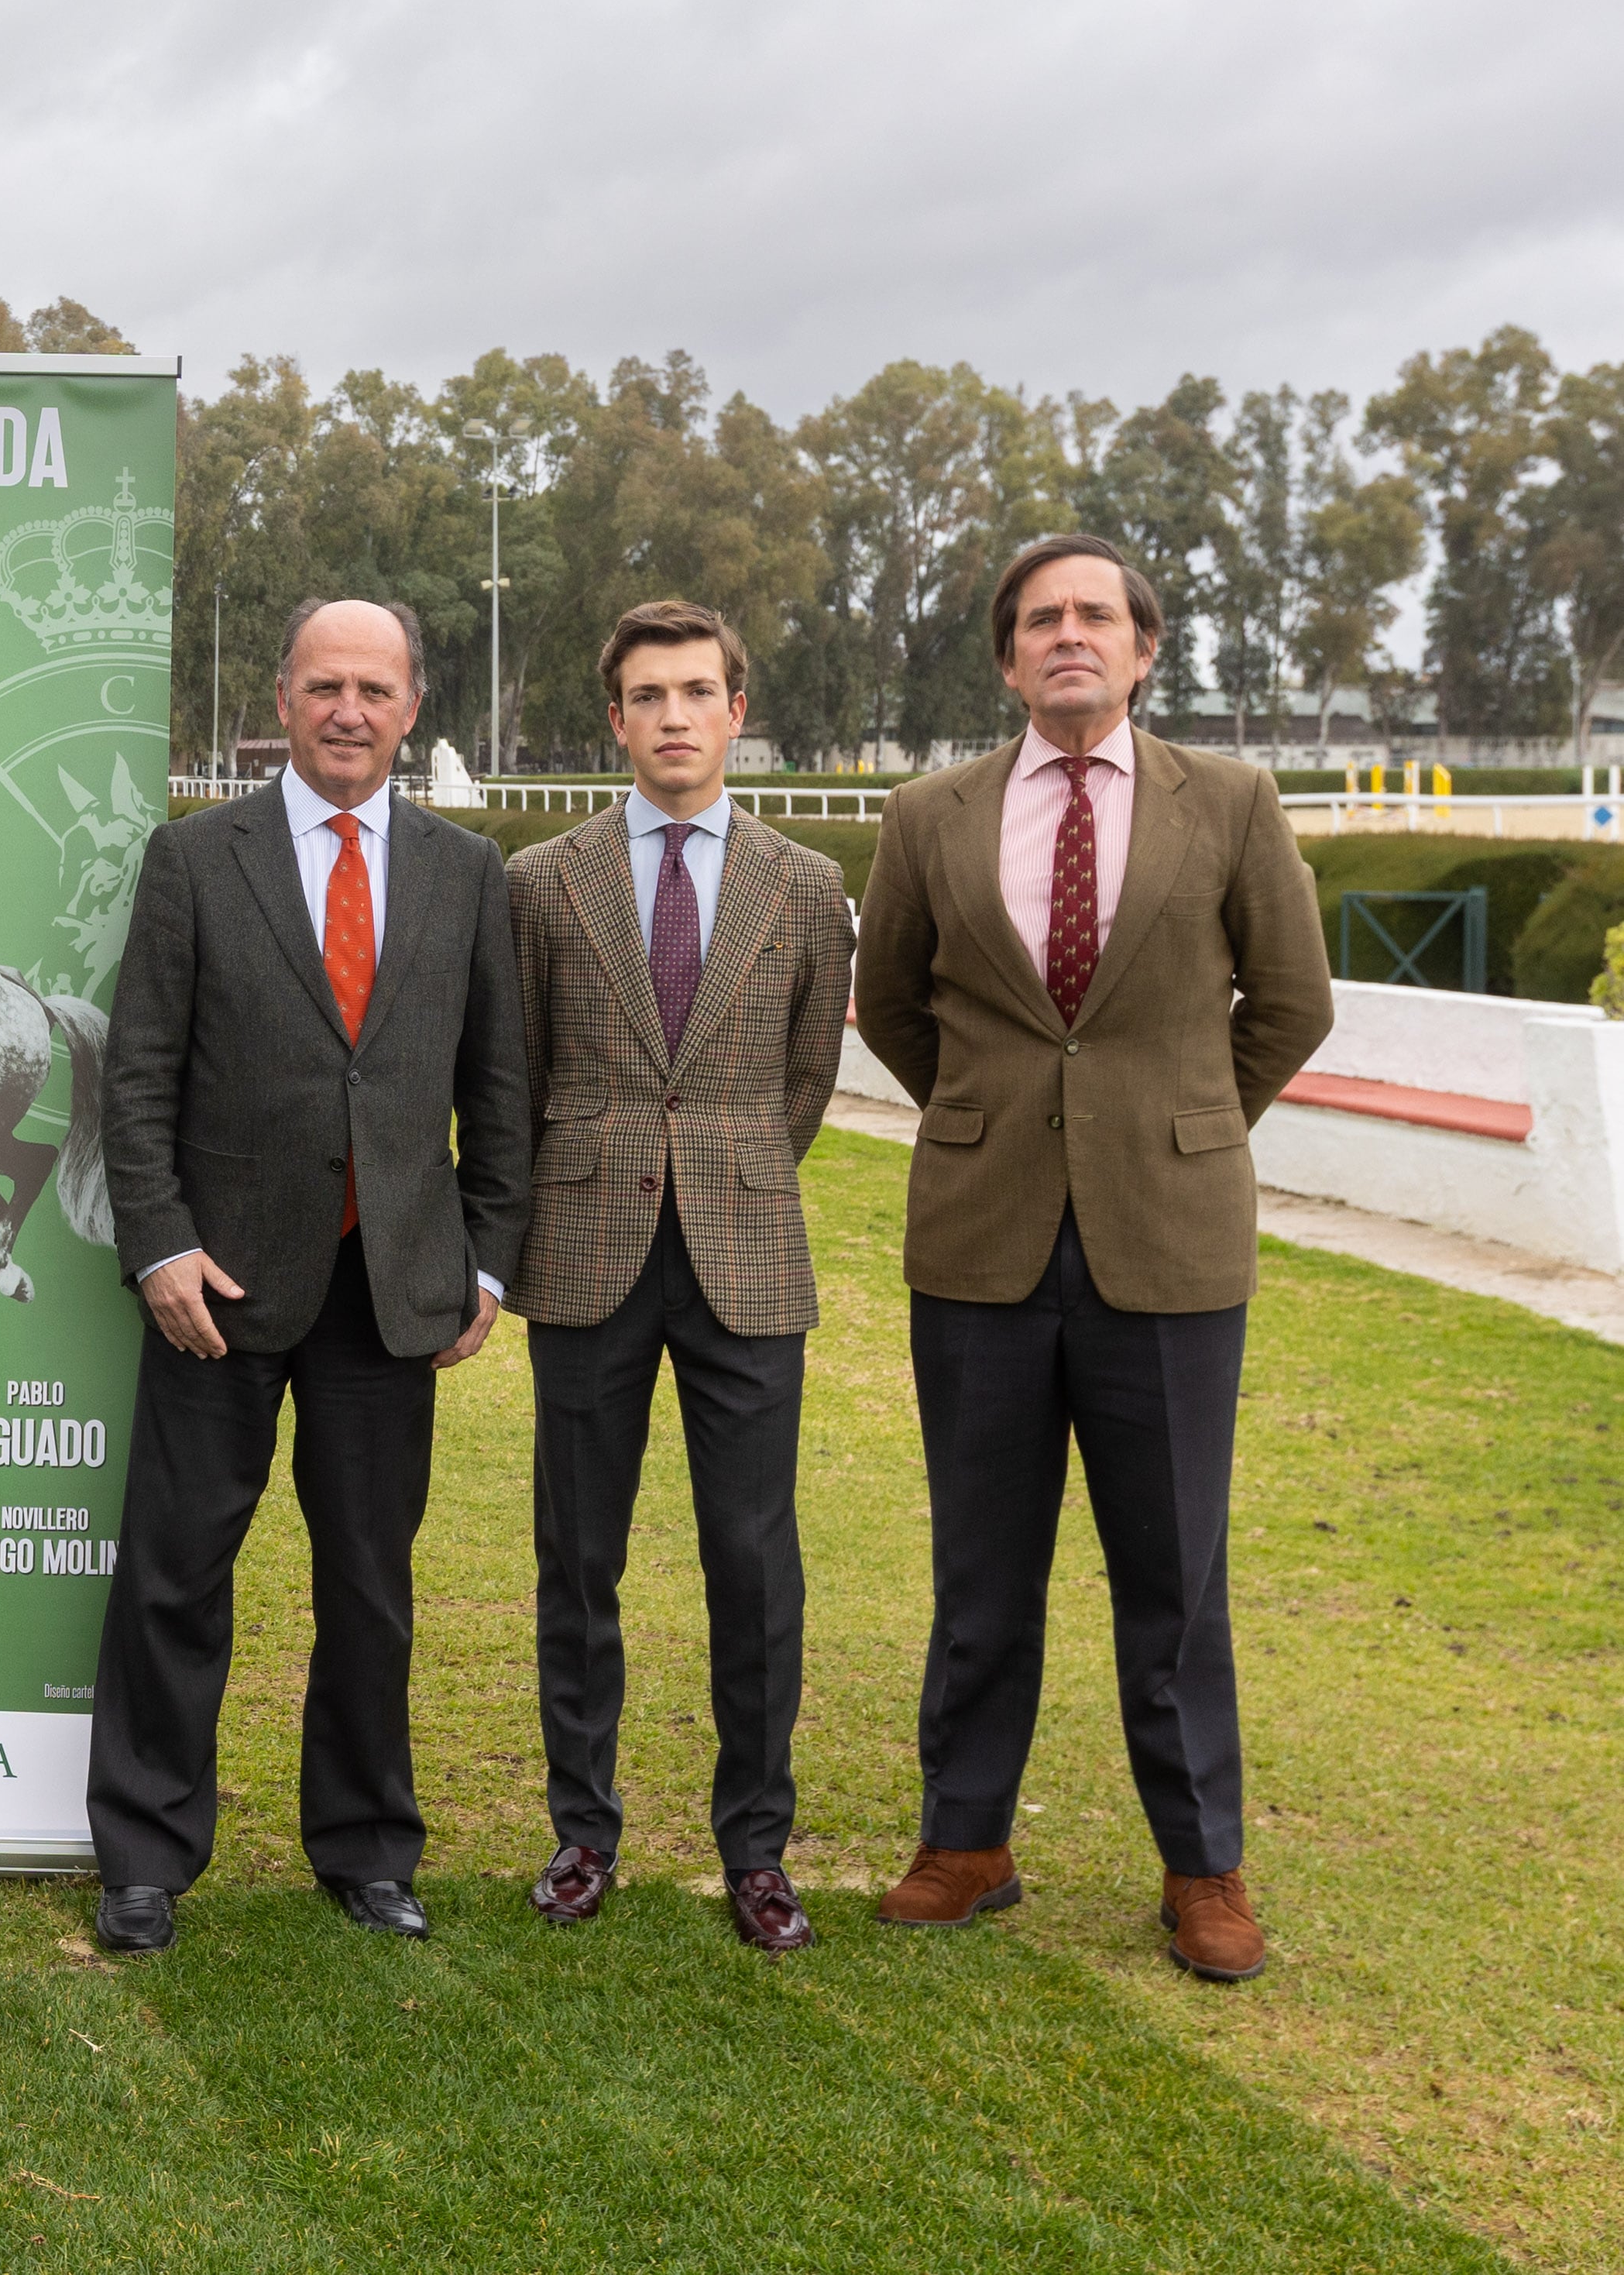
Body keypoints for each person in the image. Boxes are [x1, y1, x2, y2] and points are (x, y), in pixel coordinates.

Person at [855, 534, 1332, 1981]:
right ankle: (965, 1837)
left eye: (1095, 616)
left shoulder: (1231, 802)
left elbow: (1289, 1003)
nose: (1068, 635)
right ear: (1006, 657)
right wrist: (1001, 1118)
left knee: (1171, 1572)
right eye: (1039, 619)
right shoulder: (927, 813)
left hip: (1168, 1247)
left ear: (1140, 648)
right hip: (979, 1241)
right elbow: (892, 1005)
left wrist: (1180, 1125)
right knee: (978, 1565)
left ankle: (1201, 1864)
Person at [88, 596, 530, 1954]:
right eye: (324, 684)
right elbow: (138, 1069)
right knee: (173, 1571)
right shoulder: (191, 857)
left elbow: (500, 1088)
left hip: (388, 1284)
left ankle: (364, 1845)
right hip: (214, 1282)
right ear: (279, 699)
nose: (349, 709)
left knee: (369, 1582)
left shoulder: (466, 873)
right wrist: (157, 1241)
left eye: (374, 688)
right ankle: (146, 1853)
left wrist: (490, 1263)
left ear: (409, 708)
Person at [506, 602, 852, 1954]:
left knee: (752, 1559)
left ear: (733, 708)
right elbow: (518, 1072)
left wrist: (726, 1167)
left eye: (694, 691)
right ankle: (581, 1830)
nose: (670, 716)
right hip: (586, 1250)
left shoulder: (803, 885)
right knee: (575, 1555)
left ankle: (755, 1848)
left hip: (746, 1252)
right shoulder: (541, 880)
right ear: (613, 718)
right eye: (645, 694)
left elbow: (803, 1078)